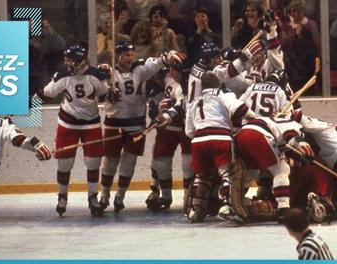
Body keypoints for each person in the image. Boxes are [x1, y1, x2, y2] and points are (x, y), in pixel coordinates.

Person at [99, 41, 184, 213]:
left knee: (128, 163)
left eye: (132, 54)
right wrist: (106, 90)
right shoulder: (108, 72)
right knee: (109, 162)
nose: (131, 57)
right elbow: (95, 87)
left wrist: (170, 55)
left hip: (135, 123)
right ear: (118, 56)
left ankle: (119, 196)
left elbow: (160, 61)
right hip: (113, 123)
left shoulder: (140, 69)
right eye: (127, 55)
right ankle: (104, 195)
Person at [36, 45, 109, 217]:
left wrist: (113, 91)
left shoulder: (95, 75)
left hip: (91, 124)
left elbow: (106, 94)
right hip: (68, 123)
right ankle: (62, 197)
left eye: (70, 60)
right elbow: (45, 93)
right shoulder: (63, 75)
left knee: (93, 163)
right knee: (64, 163)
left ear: (80, 61)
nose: (66, 63)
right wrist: (26, 103)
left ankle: (93, 198)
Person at [184, 72, 257, 223]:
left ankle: (195, 210)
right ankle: (227, 207)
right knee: (227, 173)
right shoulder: (222, 94)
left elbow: (189, 131)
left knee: (202, 176)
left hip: (198, 141)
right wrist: (256, 118)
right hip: (220, 138)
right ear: (217, 84)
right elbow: (239, 109)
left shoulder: (194, 101)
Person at [145, 63, 194, 211]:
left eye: (173, 70)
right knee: (160, 161)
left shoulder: (188, 85)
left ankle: (188, 197)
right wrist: (156, 106)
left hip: (186, 127)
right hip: (169, 127)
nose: (168, 72)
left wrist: (165, 113)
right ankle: (164, 195)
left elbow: (180, 106)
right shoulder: (168, 78)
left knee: (188, 165)